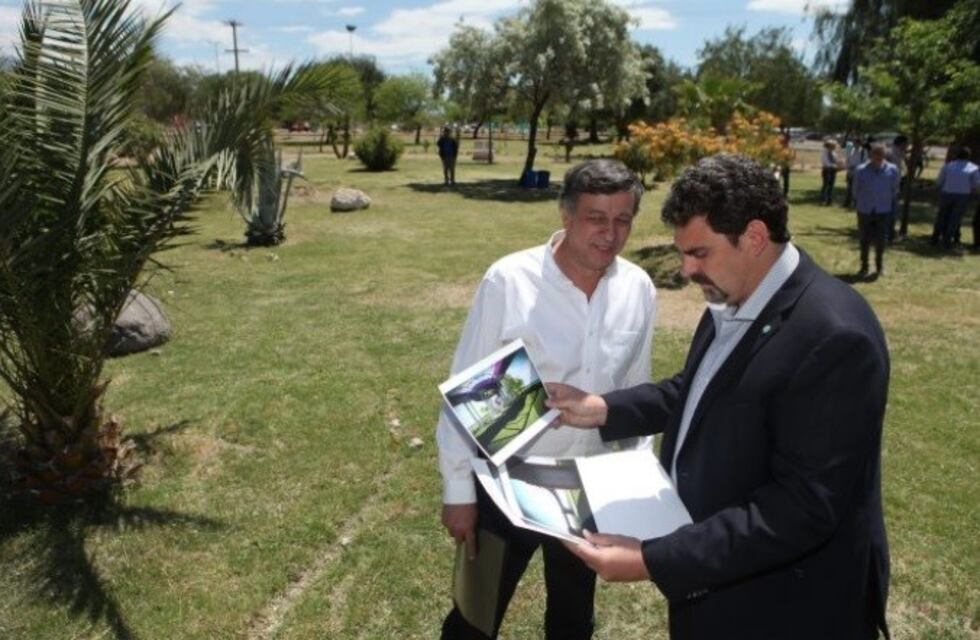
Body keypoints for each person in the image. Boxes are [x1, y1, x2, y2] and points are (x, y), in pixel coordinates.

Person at [546, 153, 891, 640]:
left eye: (700, 253)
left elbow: (802, 509)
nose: (687, 269)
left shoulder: (835, 337)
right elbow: (703, 388)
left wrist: (653, 559)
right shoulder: (736, 293)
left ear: (754, 238)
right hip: (720, 582)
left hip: (784, 606)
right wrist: (604, 408)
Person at [437, 159, 657, 640]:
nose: (610, 235)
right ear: (566, 214)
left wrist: (637, 480)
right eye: (596, 218)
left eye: (623, 220)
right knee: (474, 617)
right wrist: (459, 492)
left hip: (588, 486)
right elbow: (467, 387)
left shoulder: (637, 287)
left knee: (572, 621)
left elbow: (635, 389)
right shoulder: (509, 280)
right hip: (505, 480)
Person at [854, 143, 900, 278]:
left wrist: (886, 200)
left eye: (882, 154)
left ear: (885, 155)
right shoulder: (861, 170)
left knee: (881, 240)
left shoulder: (892, 169)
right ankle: (864, 267)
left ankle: (879, 267)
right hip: (865, 209)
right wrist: (863, 201)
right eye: (876, 154)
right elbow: (855, 190)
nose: (879, 157)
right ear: (871, 154)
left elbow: (895, 189)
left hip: (883, 209)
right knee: (864, 239)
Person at [932, 146, 980, 249]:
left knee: (942, 216)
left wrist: (938, 189)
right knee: (955, 218)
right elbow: (976, 185)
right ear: (969, 156)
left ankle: (935, 236)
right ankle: (947, 239)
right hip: (962, 195)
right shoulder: (973, 168)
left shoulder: (948, 166)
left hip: (947, 193)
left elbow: (940, 181)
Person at [886, 135, 908, 241]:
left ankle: (890, 232)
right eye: (906, 144)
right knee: (890, 212)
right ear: (901, 143)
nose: (907, 146)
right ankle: (888, 233)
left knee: (892, 211)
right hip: (889, 187)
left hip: (895, 186)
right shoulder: (891, 153)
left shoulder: (900, 153)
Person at [843, 137, 868, 208]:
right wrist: (848, 166)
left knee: (857, 188)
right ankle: (847, 202)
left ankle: (856, 203)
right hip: (850, 172)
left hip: (858, 172)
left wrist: (857, 167)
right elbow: (847, 160)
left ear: (860, 143)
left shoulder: (863, 151)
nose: (855, 144)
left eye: (856, 143)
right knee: (849, 188)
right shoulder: (850, 150)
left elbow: (865, 162)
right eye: (854, 143)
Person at [819, 139, 841, 205]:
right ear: (829, 145)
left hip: (833, 171)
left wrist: (840, 164)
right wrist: (835, 166)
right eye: (833, 145)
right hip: (827, 170)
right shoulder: (824, 153)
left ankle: (829, 200)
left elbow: (836, 161)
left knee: (831, 186)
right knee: (826, 185)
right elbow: (826, 163)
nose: (834, 147)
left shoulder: (833, 153)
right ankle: (823, 199)